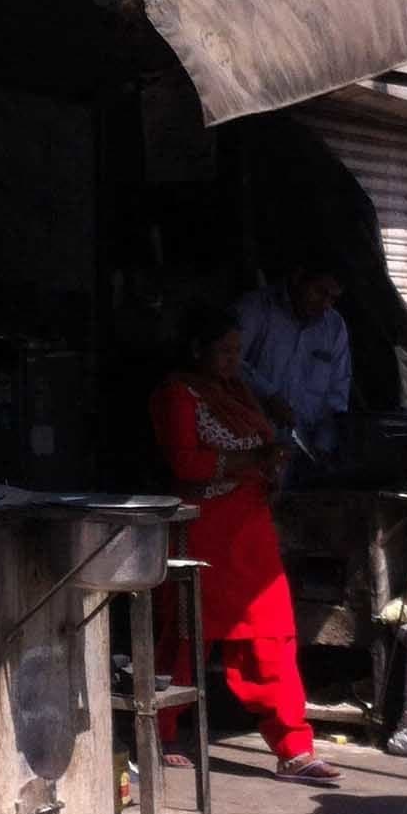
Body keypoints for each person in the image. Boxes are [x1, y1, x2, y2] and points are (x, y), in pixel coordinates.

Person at [151, 307, 340, 785]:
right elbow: (187, 466)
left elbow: (256, 447)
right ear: (198, 350)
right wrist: (251, 459)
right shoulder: (177, 395)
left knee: (272, 634)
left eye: (238, 350)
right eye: (225, 350)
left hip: (251, 529)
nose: (235, 360)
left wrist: (268, 463)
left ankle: (294, 748)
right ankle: (161, 729)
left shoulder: (237, 392)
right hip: (204, 529)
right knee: (187, 634)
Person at [235, 263, 353, 474]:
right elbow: (227, 361)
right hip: (249, 449)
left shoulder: (334, 328)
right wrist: (268, 396)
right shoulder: (256, 308)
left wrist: (323, 447)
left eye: (333, 298)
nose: (324, 304)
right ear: (298, 277)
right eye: (319, 292)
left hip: (303, 457)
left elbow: (337, 395)